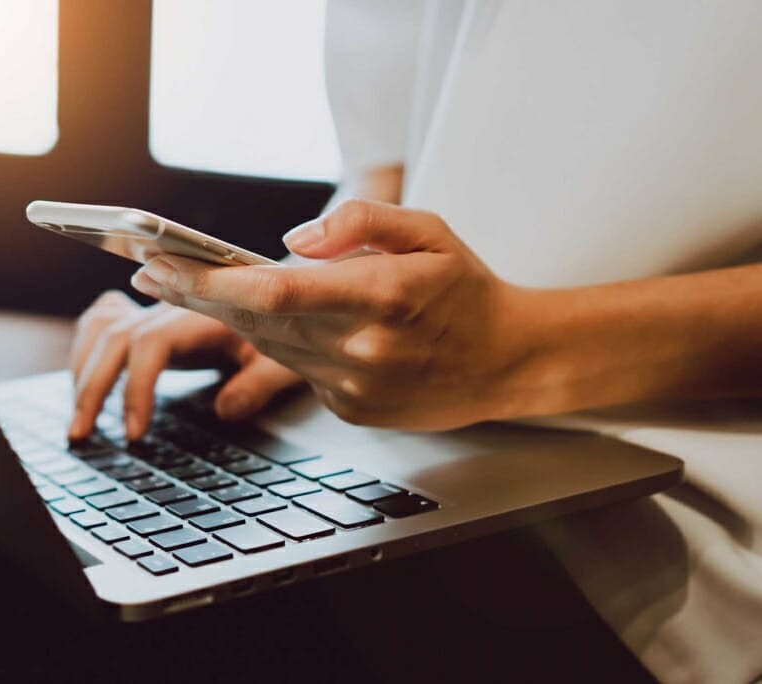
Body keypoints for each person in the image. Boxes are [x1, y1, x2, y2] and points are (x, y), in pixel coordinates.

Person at [69, 1, 762, 680]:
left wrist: (515, 351)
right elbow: (392, 165)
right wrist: (285, 310)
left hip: (684, 547)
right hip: (403, 464)